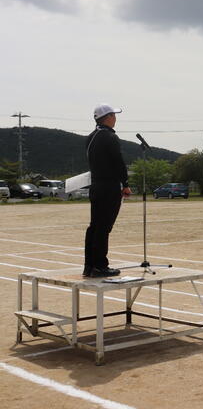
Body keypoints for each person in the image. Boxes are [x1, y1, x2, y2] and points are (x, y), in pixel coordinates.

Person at [84, 104, 130, 278]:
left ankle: (89, 266)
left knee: (94, 227)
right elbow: (118, 162)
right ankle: (100, 266)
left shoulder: (91, 137)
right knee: (104, 227)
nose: (115, 118)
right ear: (108, 117)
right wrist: (125, 183)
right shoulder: (110, 137)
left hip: (96, 185)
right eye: (114, 115)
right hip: (109, 187)